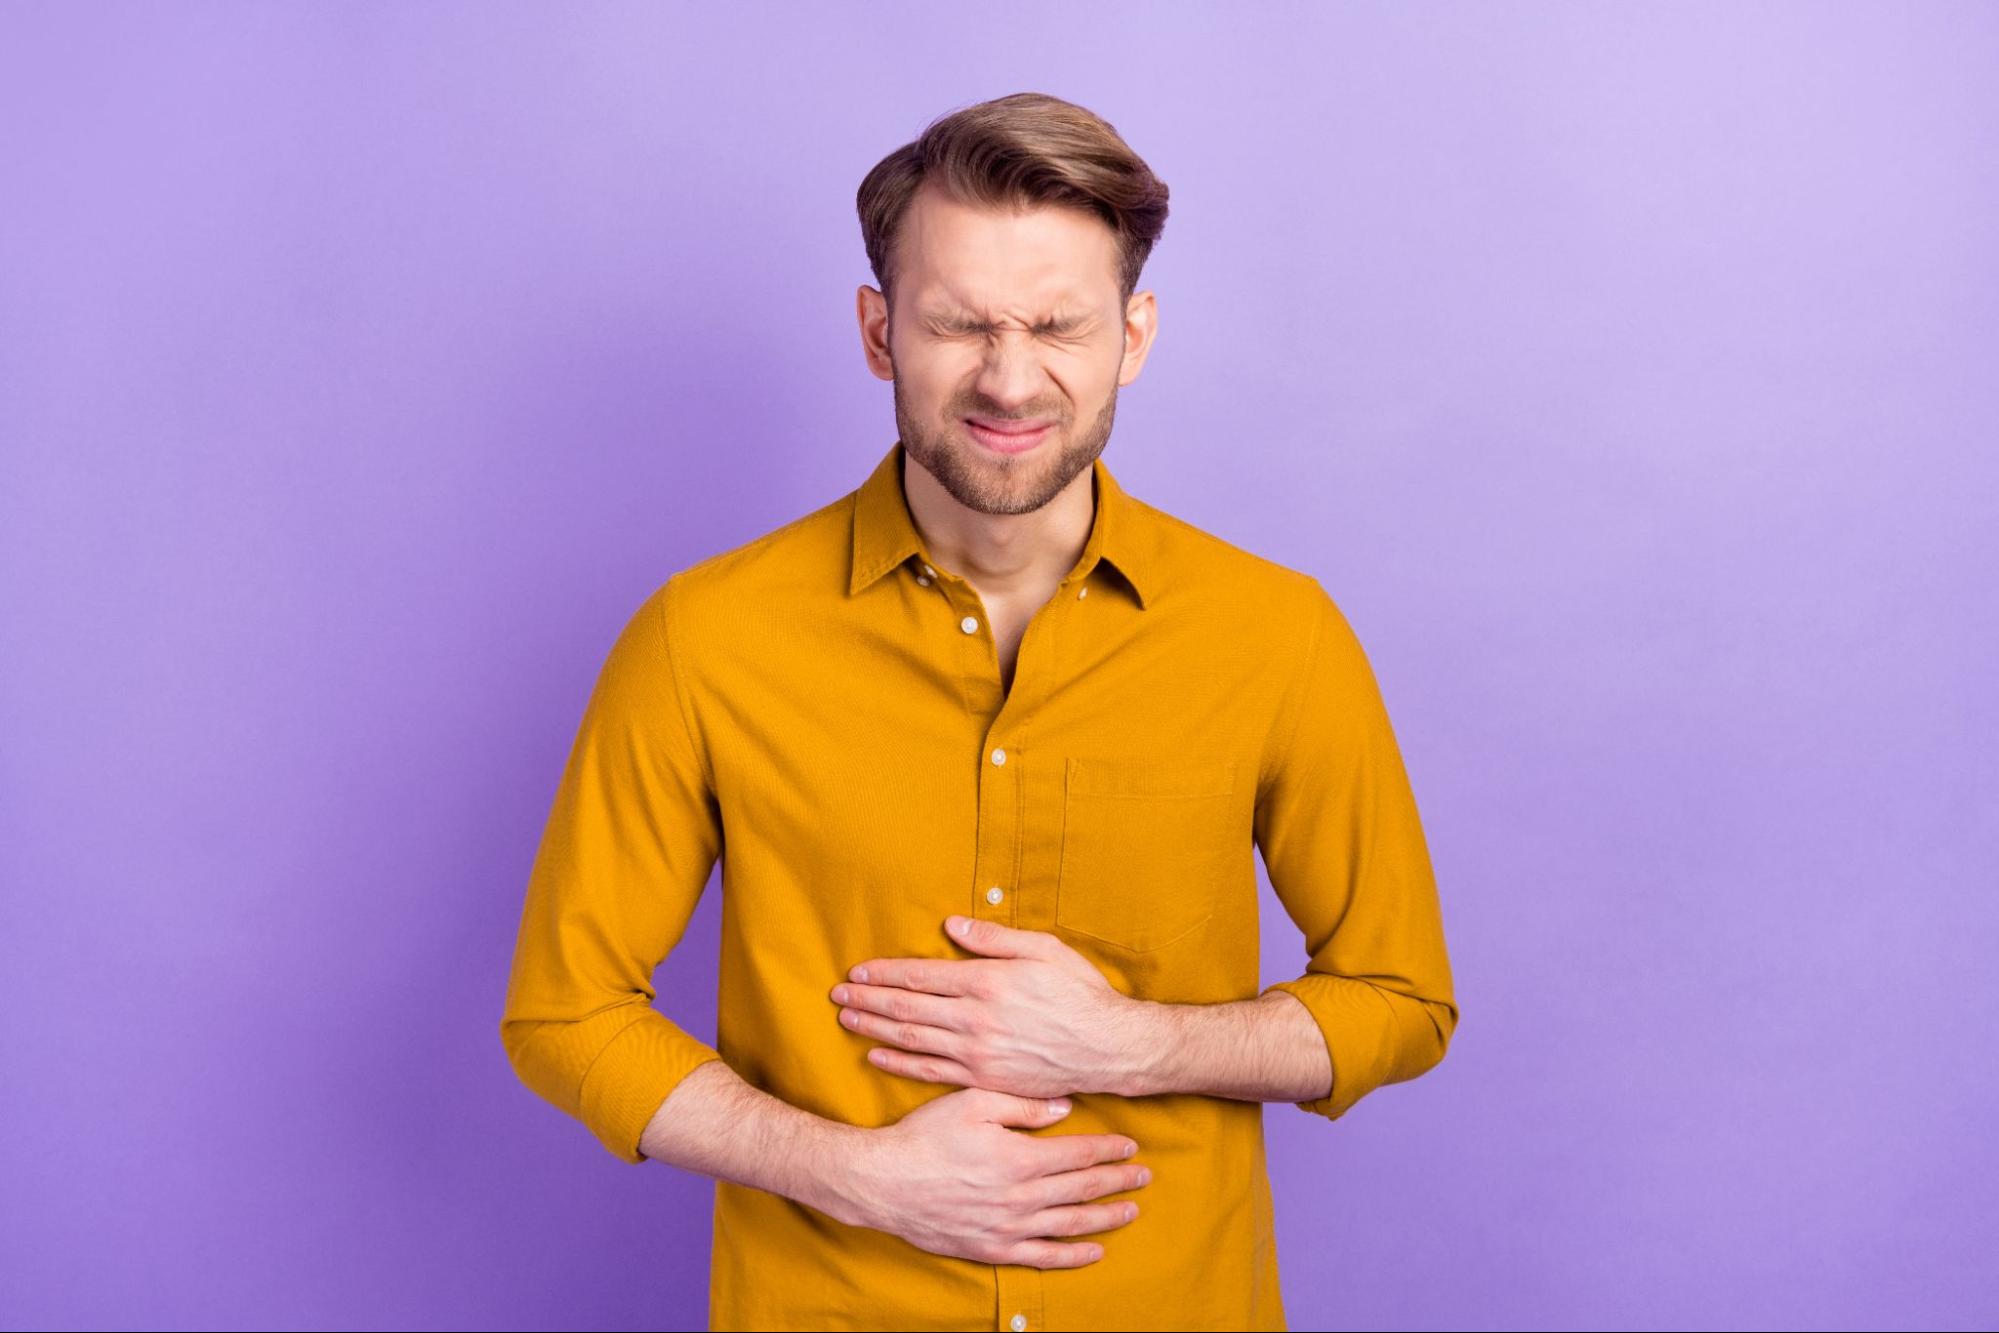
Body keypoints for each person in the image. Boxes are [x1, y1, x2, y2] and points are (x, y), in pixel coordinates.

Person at [499, 90, 1459, 1332]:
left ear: (1135, 333)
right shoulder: (704, 636)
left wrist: (1131, 1047)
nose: (1011, 380)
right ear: (878, 330)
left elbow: (1401, 999)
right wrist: (852, 1175)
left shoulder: (1277, 634)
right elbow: (564, 1013)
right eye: (960, 324)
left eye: (1059, 324)